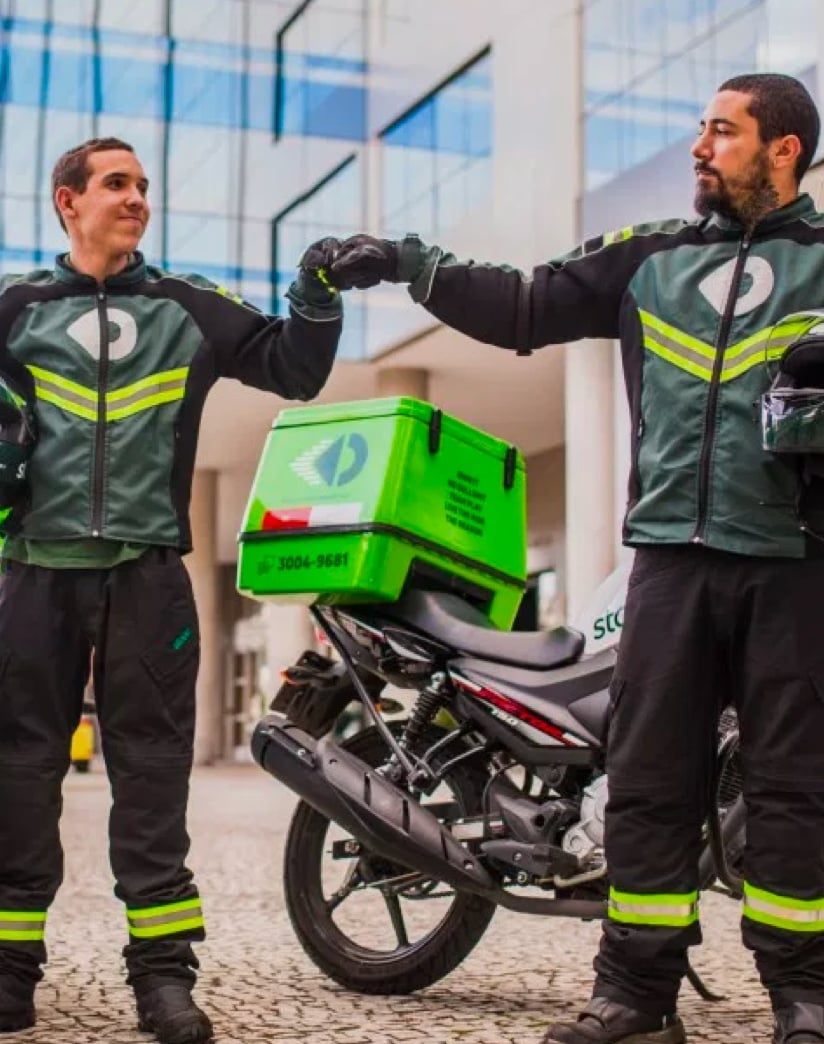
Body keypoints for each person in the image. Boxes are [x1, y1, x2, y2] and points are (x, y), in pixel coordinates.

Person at [327, 73, 824, 1044]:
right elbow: (522, 306)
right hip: (668, 570)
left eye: (720, 132)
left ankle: (803, 997)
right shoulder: (647, 259)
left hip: (793, 568)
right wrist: (405, 262)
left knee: (794, 787)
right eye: (698, 127)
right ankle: (634, 1001)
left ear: (783, 149)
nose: (697, 146)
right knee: (646, 783)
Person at [0, 137, 342, 1044]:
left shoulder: (186, 306)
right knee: (17, 775)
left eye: (144, 186)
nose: (137, 198)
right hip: (33, 573)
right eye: (116, 184)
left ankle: (163, 977)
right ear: (67, 200)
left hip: (150, 577)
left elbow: (294, 368)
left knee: (151, 776)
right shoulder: (16, 306)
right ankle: (8, 973)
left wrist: (315, 292)